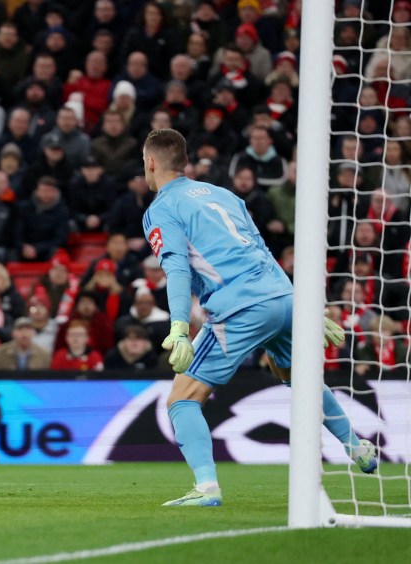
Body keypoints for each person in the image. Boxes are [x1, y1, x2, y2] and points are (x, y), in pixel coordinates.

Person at [139, 128, 372, 507]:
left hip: (239, 306)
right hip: (282, 295)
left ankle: (206, 488)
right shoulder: (226, 195)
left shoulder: (161, 209)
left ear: (150, 163)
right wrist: (305, 306)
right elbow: (262, 249)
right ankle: (355, 445)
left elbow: (177, 269)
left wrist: (179, 327)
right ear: (184, 162)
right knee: (297, 377)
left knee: (182, 399)